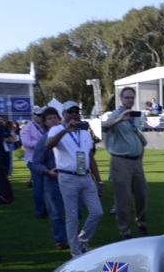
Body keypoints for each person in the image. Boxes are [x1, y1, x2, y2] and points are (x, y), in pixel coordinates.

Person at [45, 101, 104, 257]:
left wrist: (99, 180)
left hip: (85, 176)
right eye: (70, 111)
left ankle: (82, 241)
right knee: (72, 216)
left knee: (97, 212)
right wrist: (65, 130)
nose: (73, 114)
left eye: (76, 111)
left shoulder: (84, 131)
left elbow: (90, 156)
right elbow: (48, 146)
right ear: (63, 114)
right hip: (67, 177)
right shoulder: (57, 129)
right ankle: (75, 252)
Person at [102, 87, 148, 240]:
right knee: (123, 198)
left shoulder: (135, 117)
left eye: (132, 98)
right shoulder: (116, 114)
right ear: (121, 99)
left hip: (136, 161)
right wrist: (120, 119)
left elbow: (139, 136)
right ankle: (124, 230)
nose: (130, 100)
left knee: (141, 194)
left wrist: (140, 152)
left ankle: (141, 221)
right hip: (121, 160)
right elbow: (105, 125)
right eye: (127, 97)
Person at [32, 107, 68, 250]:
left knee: (75, 211)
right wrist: (47, 171)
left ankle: (75, 236)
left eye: (55, 118)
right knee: (56, 213)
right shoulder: (43, 141)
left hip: (70, 178)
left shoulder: (68, 136)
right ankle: (60, 240)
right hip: (52, 180)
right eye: (49, 119)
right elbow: (36, 162)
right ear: (45, 123)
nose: (53, 120)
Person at [19, 106, 48, 218]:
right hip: (33, 160)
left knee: (46, 186)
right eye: (38, 115)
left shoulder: (46, 127)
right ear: (33, 115)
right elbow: (26, 143)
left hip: (45, 159)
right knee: (39, 186)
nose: (40, 117)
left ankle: (46, 209)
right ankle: (40, 211)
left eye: (42, 115)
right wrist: (42, 143)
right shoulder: (27, 128)